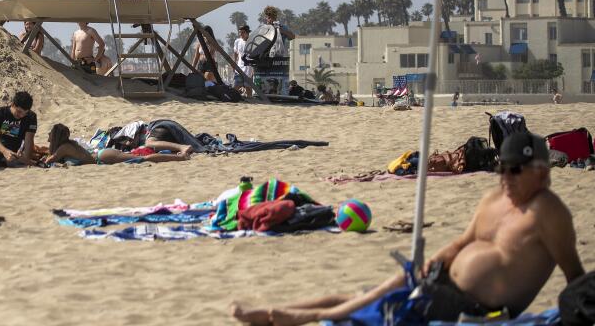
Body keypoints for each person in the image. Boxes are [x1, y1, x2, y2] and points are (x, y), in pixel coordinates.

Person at [231, 131, 584, 325]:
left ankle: (289, 317)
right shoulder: (495, 200)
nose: (506, 177)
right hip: (439, 281)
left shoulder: (548, 213)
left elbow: (575, 278)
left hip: (471, 308)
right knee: (360, 295)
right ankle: (281, 311)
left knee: (361, 307)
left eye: (516, 170)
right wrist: (437, 260)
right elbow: (463, 241)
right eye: (502, 168)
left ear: (542, 171)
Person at [44, 123, 189, 166]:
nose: (48, 135)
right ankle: (177, 156)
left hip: (103, 157)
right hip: (103, 155)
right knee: (139, 157)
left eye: (50, 133)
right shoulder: (68, 145)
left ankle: (181, 158)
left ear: (56, 136)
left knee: (143, 159)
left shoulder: (63, 148)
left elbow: (49, 160)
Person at [233, 25, 253, 98]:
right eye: (240, 32)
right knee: (236, 85)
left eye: (243, 32)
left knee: (248, 86)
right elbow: (235, 52)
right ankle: (233, 98)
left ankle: (250, 99)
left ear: (247, 33)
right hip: (239, 67)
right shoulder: (237, 41)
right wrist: (234, 63)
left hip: (248, 68)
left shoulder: (252, 41)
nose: (241, 34)